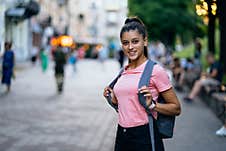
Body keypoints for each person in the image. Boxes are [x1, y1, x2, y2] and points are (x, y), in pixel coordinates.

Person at [103, 17, 181, 151]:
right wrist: (112, 99)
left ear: (144, 41)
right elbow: (126, 106)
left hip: (144, 136)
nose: (130, 47)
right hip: (122, 135)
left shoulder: (155, 70)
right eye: (125, 43)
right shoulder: (123, 72)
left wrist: (153, 105)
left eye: (135, 41)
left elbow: (176, 108)